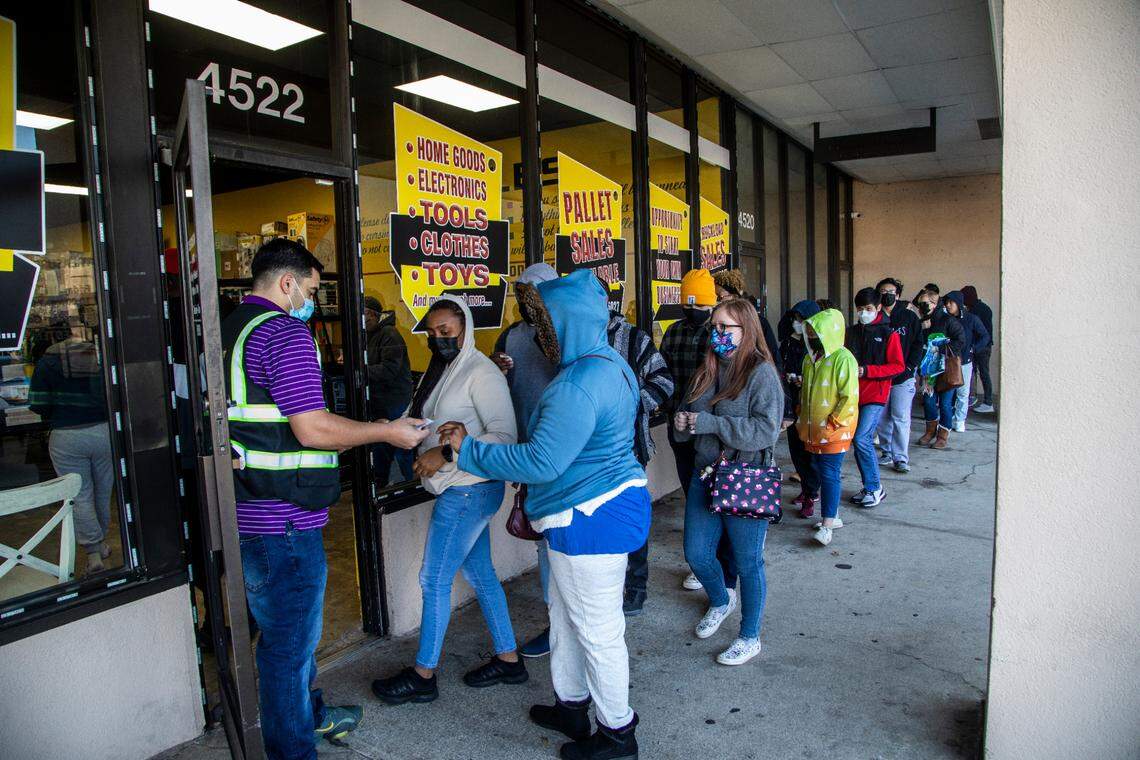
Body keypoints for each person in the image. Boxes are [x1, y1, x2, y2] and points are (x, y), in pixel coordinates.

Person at [222, 238, 429, 758]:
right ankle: (294, 748)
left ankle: (308, 714)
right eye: (312, 290)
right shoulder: (282, 333)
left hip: (247, 508)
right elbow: (312, 428)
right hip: (284, 518)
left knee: (286, 637)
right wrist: (384, 434)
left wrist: (369, 426)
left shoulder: (228, 329)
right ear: (288, 283)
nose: (312, 302)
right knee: (288, 645)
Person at [439, 269, 648, 760]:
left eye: (546, 322)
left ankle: (618, 735)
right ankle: (571, 706)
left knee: (598, 633)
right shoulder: (609, 363)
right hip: (591, 510)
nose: (540, 333)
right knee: (565, 617)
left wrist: (467, 452)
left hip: (587, 519)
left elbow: (541, 460)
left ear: (569, 322)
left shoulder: (578, 384)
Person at [371, 297, 523, 704]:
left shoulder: (481, 372)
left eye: (446, 332)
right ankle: (510, 660)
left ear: (465, 329)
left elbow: (505, 437)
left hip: (469, 488)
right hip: (461, 488)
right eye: (433, 333)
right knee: (481, 575)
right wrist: (397, 428)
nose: (438, 340)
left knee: (433, 579)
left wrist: (448, 453)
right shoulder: (442, 372)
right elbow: (429, 417)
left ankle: (424, 674)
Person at [673, 298, 783, 666]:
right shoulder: (707, 367)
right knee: (697, 553)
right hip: (705, 473)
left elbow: (765, 431)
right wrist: (684, 423)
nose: (716, 333)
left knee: (749, 562)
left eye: (725, 328)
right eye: (715, 327)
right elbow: (690, 413)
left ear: (746, 330)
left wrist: (709, 424)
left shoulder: (761, 373)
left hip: (745, 477)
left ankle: (749, 636)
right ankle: (721, 599)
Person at [491, 263, 561, 659]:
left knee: (561, 540)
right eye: (521, 294)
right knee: (544, 540)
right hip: (527, 453)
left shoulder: (566, 334)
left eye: (533, 293)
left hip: (564, 452)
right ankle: (557, 619)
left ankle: (568, 620)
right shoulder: (512, 336)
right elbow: (495, 388)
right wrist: (498, 370)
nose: (526, 302)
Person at [659, 269, 737, 595]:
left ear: (710, 303)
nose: (691, 309)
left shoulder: (718, 334)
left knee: (715, 499)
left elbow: (730, 375)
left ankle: (717, 565)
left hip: (710, 432)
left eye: (699, 303)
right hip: (678, 431)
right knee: (695, 498)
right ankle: (701, 561)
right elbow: (661, 374)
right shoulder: (673, 331)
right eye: (687, 302)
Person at [606, 304, 673, 616]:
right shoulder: (573, 338)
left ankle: (635, 585)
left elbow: (664, 380)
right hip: (588, 454)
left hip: (630, 448)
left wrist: (632, 405)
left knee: (631, 517)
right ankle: (607, 585)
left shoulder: (635, 339)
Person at [29, 329, 113, 575]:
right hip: (102, 431)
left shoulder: (47, 363)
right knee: (103, 491)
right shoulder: (96, 358)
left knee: (79, 495)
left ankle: (93, 552)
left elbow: (39, 403)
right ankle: (102, 541)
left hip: (66, 436)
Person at [795, 309, 858, 546]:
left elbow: (849, 397)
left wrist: (833, 422)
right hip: (812, 431)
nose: (810, 336)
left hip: (834, 430)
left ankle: (828, 524)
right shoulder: (809, 359)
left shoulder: (844, 359)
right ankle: (832, 515)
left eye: (815, 332)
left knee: (829, 473)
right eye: (808, 332)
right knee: (821, 473)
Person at [846, 288, 904, 508]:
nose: (864, 313)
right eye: (860, 309)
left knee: (862, 439)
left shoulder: (890, 334)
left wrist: (868, 371)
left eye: (868, 309)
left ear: (879, 308)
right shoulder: (851, 332)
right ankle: (869, 486)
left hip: (876, 395)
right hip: (853, 394)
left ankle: (875, 487)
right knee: (859, 441)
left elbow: (897, 366)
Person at [363, 296, 414, 487]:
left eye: (365, 313)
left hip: (394, 399)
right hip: (381, 400)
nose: (362, 318)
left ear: (375, 315)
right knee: (382, 444)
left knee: (400, 445)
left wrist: (360, 370)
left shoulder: (389, 334)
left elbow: (390, 370)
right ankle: (382, 482)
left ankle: (407, 483)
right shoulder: (368, 334)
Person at [875, 278, 924, 474]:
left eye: (891, 291)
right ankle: (886, 451)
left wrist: (911, 367)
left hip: (903, 378)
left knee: (900, 416)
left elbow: (918, 343)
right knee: (881, 417)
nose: (887, 294)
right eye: (883, 291)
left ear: (898, 295)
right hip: (880, 377)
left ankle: (901, 457)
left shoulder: (908, 317)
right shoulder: (875, 318)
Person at [778, 300, 822, 517]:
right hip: (790, 403)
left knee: (809, 453)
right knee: (796, 451)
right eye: (795, 319)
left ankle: (811, 493)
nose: (797, 324)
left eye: (802, 320)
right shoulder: (786, 343)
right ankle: (806, 489)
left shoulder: (817, 346)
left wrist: (804, 380)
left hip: (811, 406)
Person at [915, 290, 967, 450]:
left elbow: (960, 340)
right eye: (920, 304)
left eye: (926, 303)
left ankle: (943, 434)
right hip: (928, 370)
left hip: (946, 370)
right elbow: (918, 344)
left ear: (934, 304)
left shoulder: (948, 321)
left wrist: (942, 348)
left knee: (945, 404)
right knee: (929, 402)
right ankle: (930, 431)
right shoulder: (921, 322)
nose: (922, 307)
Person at [712, 269, 781, 366]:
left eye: (720, 297)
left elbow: (772, 353)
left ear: (734, 296)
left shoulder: (757, 321)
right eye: (713, 297)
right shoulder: (714, 321)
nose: (716, 302)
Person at [943, 290, 989, 433]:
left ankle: (960, 420)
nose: (948, 305)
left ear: (959, 303)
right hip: (946, 360)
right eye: (947, 302)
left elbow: (984, 336)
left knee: (963, 392)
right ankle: (946, 420)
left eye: (951, 302)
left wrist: (974, 349)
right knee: (946, 393)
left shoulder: (971, 319)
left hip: (965, 361)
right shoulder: (944, 319)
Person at [961, 285, 995, 413]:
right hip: (977, 346)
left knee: (983, 373)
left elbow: (983, 332)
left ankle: (988, 402)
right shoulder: (977, 308)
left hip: (981, 347)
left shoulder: (980, 310)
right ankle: (973, 397)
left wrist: (975, 347)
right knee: (973, 372)